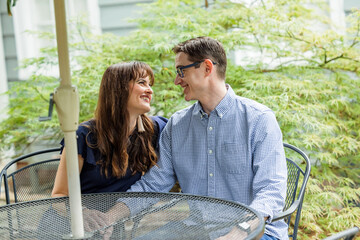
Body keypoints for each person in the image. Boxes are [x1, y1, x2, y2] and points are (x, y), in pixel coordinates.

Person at [91, 37, 288, 240]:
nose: (177, 80)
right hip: (196, 230)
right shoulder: (177, 126)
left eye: (181, 70)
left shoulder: (258, 119)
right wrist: (110, 217)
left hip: (254, 232)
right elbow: (152, 185)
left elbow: (271, 190)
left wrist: (238, 233)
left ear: (206, 68)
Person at [42, 61, 167, 236]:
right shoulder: (83, 135)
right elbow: (59, 196)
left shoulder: (154, 129)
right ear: (119, 89)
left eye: (150, 84)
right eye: (141, 83)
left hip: (110, 224)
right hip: (67, 225)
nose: (150, 90)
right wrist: (83, 215)